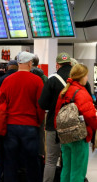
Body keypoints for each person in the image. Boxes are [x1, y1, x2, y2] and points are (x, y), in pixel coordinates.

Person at [0, 52, 45, 182]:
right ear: (30, 63)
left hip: (11, 126)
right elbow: (40, 105)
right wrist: (38, 122)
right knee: (32, 162)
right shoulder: (37, 80)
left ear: (18, 63)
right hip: (30, 125)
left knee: (10, 161)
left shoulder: (8, 80)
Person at [54, 64, 97, 182]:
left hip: (65, 137)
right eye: (86, 75)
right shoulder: (82, 93)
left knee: (66, 169)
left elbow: (57, 113)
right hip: (79, 136)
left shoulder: (65, 91)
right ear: (81, 76)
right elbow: (90, 116)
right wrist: (94, 129)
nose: (87, 78)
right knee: (78, 170)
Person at [38, 53, 73, 182]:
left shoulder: (52, 79)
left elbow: (42, 103)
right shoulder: (79, 78)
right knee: (69, 159)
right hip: (73, 126)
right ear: (70, 63)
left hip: (54, 124)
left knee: (51, 159)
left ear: (57, 65)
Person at [0, 60, 18, 182]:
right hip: (20, 122)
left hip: (2, 122)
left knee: (1, 152)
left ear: (6, 69)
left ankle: (1, 176)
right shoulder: (22, 80)